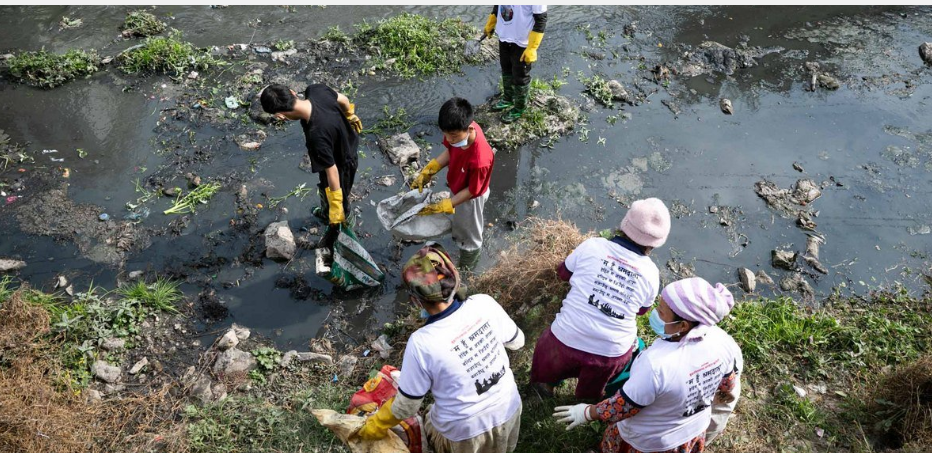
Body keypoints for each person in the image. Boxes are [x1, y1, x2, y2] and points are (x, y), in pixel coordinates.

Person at [356, 244, 526, 453]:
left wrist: (375, 425)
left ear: (415, 300)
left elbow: (407, 406)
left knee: (431, 416)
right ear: (455, 278)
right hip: (509, 409)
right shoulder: (485, 304)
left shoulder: (421, 342)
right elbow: (518, 342)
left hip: (464, 432)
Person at [552, 277, 744, 453]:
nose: (655, 314)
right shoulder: (721, 342)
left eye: (661, 312)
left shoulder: (657, 364)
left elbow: (624, 406)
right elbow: (727, 384)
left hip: (649, 441)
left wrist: (588, 412)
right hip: (692, 432)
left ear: (683, 325)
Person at [529, 198, 670, 401]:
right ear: (655, 244)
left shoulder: (592, 246)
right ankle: (585, 405)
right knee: (593, 386)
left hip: (565, 339)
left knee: (549, 354)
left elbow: (563, 272)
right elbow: (641, 310)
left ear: (624, 224)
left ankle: (544, 387)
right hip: (610, 353)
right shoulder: (651, 272)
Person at [259, 83, 362, 247]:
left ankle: (342, 224)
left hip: (342, 163)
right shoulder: (316, 90)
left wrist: (336, 206)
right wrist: (349, 115)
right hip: (348, 143)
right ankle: (327, 211)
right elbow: (343, 99)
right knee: (324, 186)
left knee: (338, 195)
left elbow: (332, 170)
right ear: (293, 92)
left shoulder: (317, 134)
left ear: (280, 115)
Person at [411, 97, 495, 271]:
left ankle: (467, 267)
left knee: (471, 236)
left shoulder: (480, 159)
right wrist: (430, 170)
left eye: (454, 136)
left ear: (470, 128)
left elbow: (473, 191)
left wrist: (446, 205)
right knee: (460, 221)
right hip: (459, 185)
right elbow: (450, 151)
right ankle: (460, 236)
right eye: (446, 134)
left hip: (471, 197)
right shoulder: (458, 135)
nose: (449, 139)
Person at [483, 5, 548, 123]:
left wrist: (532, 48)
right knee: (506, 68)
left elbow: (541, 19)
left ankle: (519, 108)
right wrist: (491, 22)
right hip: (504, 37)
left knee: (520, 76)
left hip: (522, 42)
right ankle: (508, 98)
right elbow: (498, 7)